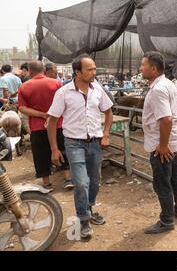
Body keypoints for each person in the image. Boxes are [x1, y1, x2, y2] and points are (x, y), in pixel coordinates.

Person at [47, 54, 113, 239]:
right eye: (89, 69)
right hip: (74, 143)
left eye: (94, 68)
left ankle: (89, 208)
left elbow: (108, 111)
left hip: (95, 143)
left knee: (95, 180)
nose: (94, 72)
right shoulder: (64, 92)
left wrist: (106, 133)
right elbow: (52, 121)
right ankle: (83, 219)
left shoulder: (98, 89)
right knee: (81, 183)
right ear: (77, 72)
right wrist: (54, 148)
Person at [140, 51, 177, 234]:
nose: (141, 68)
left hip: (163, 145)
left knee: (162, 184)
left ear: (153, 68)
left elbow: (166, 119)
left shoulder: (158, 89)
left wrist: (163, 146)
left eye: (143, 65)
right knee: (175, 177)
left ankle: (167, 221)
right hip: (173, 141)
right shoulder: (166, 83)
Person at [18, 61, 74, 190]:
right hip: (58, 124)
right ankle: (68, 178)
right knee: (62, 149)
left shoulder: (24, 87)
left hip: (37, 126)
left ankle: (46, 183)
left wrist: (42, 115)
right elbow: (65, 103)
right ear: (43, 70)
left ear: (30, 71)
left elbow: (22, 108)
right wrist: (52, 115)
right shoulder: (56, 83)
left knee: (41, 153)